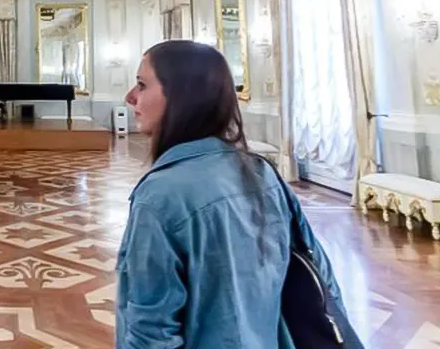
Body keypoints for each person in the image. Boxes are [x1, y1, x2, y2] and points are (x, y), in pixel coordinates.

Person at [116, 41, 357, 348]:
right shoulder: (262, 172)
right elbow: (321, 278)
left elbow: (150, 332)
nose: (130, 96)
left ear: (182, 95)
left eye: (142, 84)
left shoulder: (160, 195)